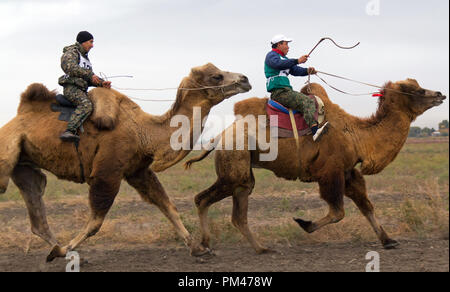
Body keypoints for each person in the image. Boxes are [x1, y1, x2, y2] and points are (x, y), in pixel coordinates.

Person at [265, 34, 329, 141]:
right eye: (286, 44)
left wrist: (308, 71)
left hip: (285, 91)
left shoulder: (284, 59)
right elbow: (278, 64)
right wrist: (297, 60)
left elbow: (295, 70)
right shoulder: (271, 56)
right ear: (279, 45)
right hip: (280, 92)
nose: (288, 47)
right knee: (307, 102)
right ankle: (314, 130)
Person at [58, 31, 112, 142]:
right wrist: (90, 74)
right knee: (86, 105)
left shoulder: (86, 59)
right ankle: (69, 130)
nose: (92, 45)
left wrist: (101, 83)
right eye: (90, 42)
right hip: (72, 88)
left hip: (82, 89)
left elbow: (88, 78)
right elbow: (70, 67)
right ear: (83, 42)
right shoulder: (71, 53)